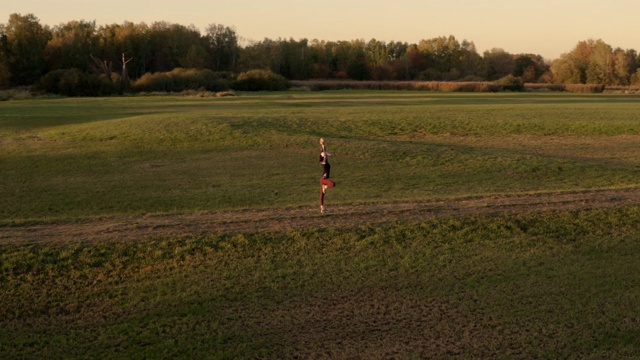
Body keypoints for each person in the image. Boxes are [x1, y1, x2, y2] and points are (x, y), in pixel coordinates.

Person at [319, 137, 335, 213]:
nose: (326, 154)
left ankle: (322, 209)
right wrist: (322, 144)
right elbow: (324, 154)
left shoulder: (325, 160)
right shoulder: (323, 162)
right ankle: (324, 187)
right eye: (324, 155)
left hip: (322, 179)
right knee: (332, 184)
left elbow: (324, 151)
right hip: (323, 180)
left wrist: (322, 144)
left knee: (322, 195)